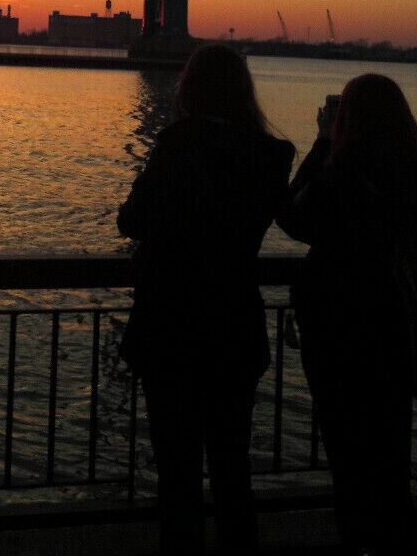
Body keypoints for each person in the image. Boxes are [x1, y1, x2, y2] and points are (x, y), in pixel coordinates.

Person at [117, 44, 295, 555]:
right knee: (233, 469)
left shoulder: (177, 145)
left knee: (177, 474)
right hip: (236, 330)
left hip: (171, 331)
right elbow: (293, 218)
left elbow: (131, 219)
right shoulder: (271, 156)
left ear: (190, 89)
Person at [277, 74, 417, 555]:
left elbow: (292, 216)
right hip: (391, 323)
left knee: (346, 446)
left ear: (348, 119)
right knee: (388, 445)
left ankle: (360, 540)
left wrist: (322, 143)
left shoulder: (345, 175)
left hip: (336, 329)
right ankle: (392, 539)